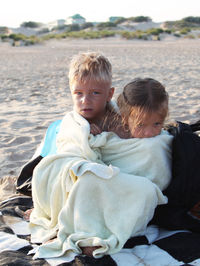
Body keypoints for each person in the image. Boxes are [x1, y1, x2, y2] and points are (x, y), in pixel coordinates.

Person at [28, 52, 172, 260]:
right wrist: (90, 147)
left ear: (109, 93)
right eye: (78, 93)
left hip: (116, 176)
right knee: (87, 178)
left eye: (95, 93)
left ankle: (108, 225)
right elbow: (67, 156)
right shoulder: (74, 124)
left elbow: (136, 146)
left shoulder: (119, 117)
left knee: (146, 190)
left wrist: (111, 138)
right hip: (88, 175)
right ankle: (87, 234)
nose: (85, 100)